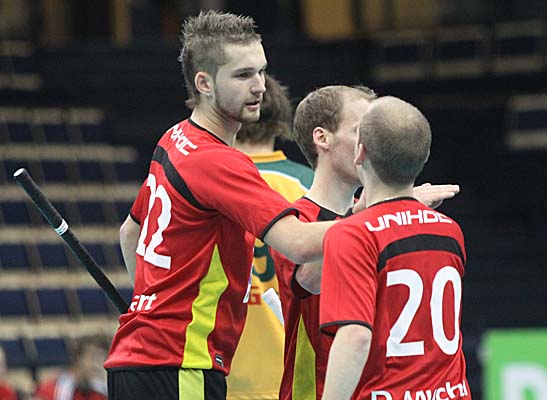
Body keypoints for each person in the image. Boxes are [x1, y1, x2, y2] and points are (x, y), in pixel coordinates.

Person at [105, 10, 334, 400]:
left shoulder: (174, 138)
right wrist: (381, 215)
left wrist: (148, 307)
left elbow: (131, 232)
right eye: (243, 75)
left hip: (141, 360)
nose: (260, 87)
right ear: (204, 83)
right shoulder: (217, 161)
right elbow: (297, 243)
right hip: (182, 365)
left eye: (261, 71)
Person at [271, 85, 460, 399]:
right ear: (323, 138)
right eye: (362, 130)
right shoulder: (295, 223)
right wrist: (384, 211)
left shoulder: (390, 220)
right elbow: (309, 280)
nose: (372, 141)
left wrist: (395, 209)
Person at [319, 97, 471, 399]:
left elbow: (355, 337)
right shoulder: (450, 230)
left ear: (360, 152)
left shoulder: (352, 234)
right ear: (424, 157)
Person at [228, 74, 313, 399]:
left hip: (216, 372)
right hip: (293, 375)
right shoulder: (311, 186)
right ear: (280, 119)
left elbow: (132, 234)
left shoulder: (202, 180)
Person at [35, 336, 109, 400]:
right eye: (92, 358)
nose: (96, 365)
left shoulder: (102, 393)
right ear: (78, 358)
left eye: (101, 359)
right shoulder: (50, 390)